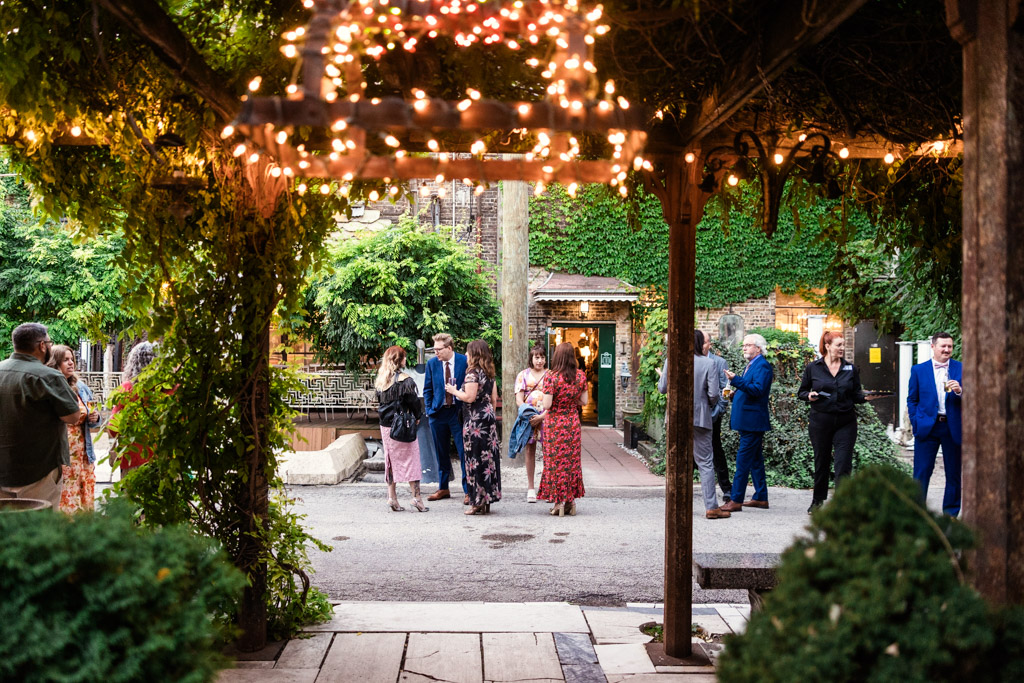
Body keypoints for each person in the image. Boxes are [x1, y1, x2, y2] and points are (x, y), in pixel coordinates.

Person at [0, 323, 81, 510]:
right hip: (39, 471)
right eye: (49, 343)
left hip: (3, 470)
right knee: (39, 531)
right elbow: (73, 417)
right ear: (42, 345)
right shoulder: (49, 376)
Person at [798, 331, 866, 514]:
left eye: (843, 345)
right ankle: (817, 501)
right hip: (820, 421)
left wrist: (867, 397)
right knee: (821, 461)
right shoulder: (814, 368)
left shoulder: (850, 369)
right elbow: (801, 392)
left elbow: (856, 395)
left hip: (846, 422)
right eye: (839, 345)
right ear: (827, 346)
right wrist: (809, 395)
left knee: (843, 464)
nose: (842, 348)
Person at [907, 332, 963, 516]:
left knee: (953, 474)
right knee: (921, 473)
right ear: (933, 347)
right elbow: (912, 399)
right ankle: (917, 514)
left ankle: (951, 515)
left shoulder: (961, 369)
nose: (947, 350)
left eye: (950, 346)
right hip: (927, 427)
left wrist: (960, 391)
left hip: (952, 427)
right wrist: (916, 421)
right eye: (943, 346)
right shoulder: (918, 370)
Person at [444, 340, 501, 515]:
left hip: (475, 421)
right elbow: (494, 399)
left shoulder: (472, 374)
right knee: (488, 460)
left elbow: (469, 397)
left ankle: (477, 502)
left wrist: (453, 391)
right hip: (488, 419)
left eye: (468, 353)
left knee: (474, 460)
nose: (466, 356)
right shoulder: (489, 374)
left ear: (474, 354)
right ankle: (488, 499)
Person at [721, 334, 774, 512]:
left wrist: (736, 380)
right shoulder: (752, 365)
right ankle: (760, 497)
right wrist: (736, 393)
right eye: (743, 345)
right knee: (755, 460)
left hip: (753, 422)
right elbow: (749, 389)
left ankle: (735, 499)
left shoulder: (763, 366)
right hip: (748, 420)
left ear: (758, 348)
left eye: (748, 345)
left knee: (743, 461)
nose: (744, 348)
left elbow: (758, 390)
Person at [374, 345, 428, 512]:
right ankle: (416, 498)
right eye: (404, 357)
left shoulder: (381, 380)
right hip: (402, 425)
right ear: (399, 360)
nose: (406, 360)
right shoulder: (405, 380)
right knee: (411, 459)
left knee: (390, 461)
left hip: (386, 426)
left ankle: (392, 498)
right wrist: (418, 417)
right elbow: (414, 404)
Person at [538, 342, 589, 516]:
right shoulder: (581, 376)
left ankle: (559, 502)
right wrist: (569, 400)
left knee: (555, 463)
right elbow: (584, 401)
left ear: (557, 356)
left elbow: (547, 404)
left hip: (555, 424)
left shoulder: (551, 376)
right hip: (572, 423)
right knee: (571, 463)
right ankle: (571, 502)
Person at [47, 345, 96, 513]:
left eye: (72, 360)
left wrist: (94, 418)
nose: (70, 363)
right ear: (55, 363)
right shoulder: (51, 387)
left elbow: (93, 418)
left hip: (83, 452)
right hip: (62, 451)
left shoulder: (80, 386)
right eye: (65, 360)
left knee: (84, 490)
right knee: (65, 493)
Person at [422, 333, 468, 503]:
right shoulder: (432, 363)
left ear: (449, 348)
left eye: (439, 349)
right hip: (438, 413)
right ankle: (443, 488)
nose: (436, 353)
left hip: (458, 412)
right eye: (434, 349)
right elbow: (427, 388)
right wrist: (429, 409)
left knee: (464, 452)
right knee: (441, 452)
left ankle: (468, 490)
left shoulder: (464, 361)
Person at [693, 331, 729, 519]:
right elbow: (715, 394)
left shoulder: (670, 362)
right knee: (705, 462)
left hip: (675, 419)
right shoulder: (709, 363)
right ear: (701, 344)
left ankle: (676, 503)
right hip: (700, 417)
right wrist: (704, 403)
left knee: (677, 461)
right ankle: (711, 507)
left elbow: (663, 388)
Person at [109, 341, 157, 473]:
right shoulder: (170, 389)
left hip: (133, 459)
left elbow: (113, 429)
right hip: (165, 459)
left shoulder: (127, 390)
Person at [514, 345, 549, 502]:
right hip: (529, 418)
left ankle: (548, 487)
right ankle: (530, 487)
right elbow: (519, 399)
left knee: (549, 452)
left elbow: (554, 400)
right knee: (530, 451)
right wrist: (528, 414)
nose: (539, 360)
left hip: (546, 418)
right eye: (537, 357)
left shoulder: (550, 375)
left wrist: (542, 416)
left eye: (542, 357)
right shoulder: (523, 375)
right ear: (531, 358)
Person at [704, 335, 733, 503]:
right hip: (696, 413)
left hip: (713, 414)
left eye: (705, 342)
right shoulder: (692, 360)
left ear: (710, 344)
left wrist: (719, 410)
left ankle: (726, 488)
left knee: (716, 449)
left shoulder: (719, 362)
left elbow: (725, 388)